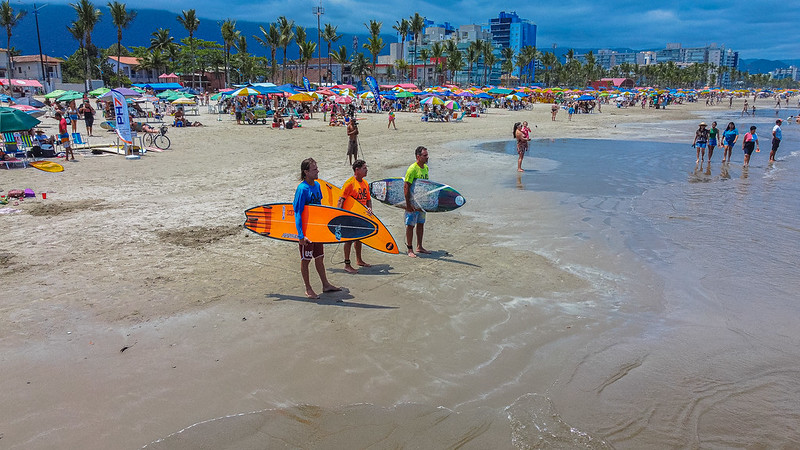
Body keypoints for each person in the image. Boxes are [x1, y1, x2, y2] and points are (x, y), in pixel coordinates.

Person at [294, 157, 340, 299]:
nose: (317, 171)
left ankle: (325, 285)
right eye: (314, 169)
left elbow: (319, 209)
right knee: (306, 260)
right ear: (306, 172)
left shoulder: (317, 186)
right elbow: (297, 212)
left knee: (319, 257)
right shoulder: (302, 189)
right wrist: (301, 235)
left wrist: (324, 228)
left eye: (317, 168)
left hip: (317, 231)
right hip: (307, 232)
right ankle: (308, 289)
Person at [337, 159, 373, 274]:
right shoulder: (349, 184)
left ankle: (359, 260)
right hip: (350, 217)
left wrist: (369, 209)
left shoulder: (365, 183)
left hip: (360, 216)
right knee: (349, 240)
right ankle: (347, 265)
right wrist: (340, 216)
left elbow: (368, 199)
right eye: (364, 168)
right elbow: (340, 200)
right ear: (357, 170)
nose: (366, 170)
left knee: (359, 238)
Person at [404, 146, 430, 257]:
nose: (427, 157)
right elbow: (406, 187)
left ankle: (420, 246)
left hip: (422, 203)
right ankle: (410, 249)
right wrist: (408, 205)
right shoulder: (412, 169)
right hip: (413, 203)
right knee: (410, 225)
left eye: (427, 155)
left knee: (421, 224)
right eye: (425, 155)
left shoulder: (425, 168)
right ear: (418, 156)